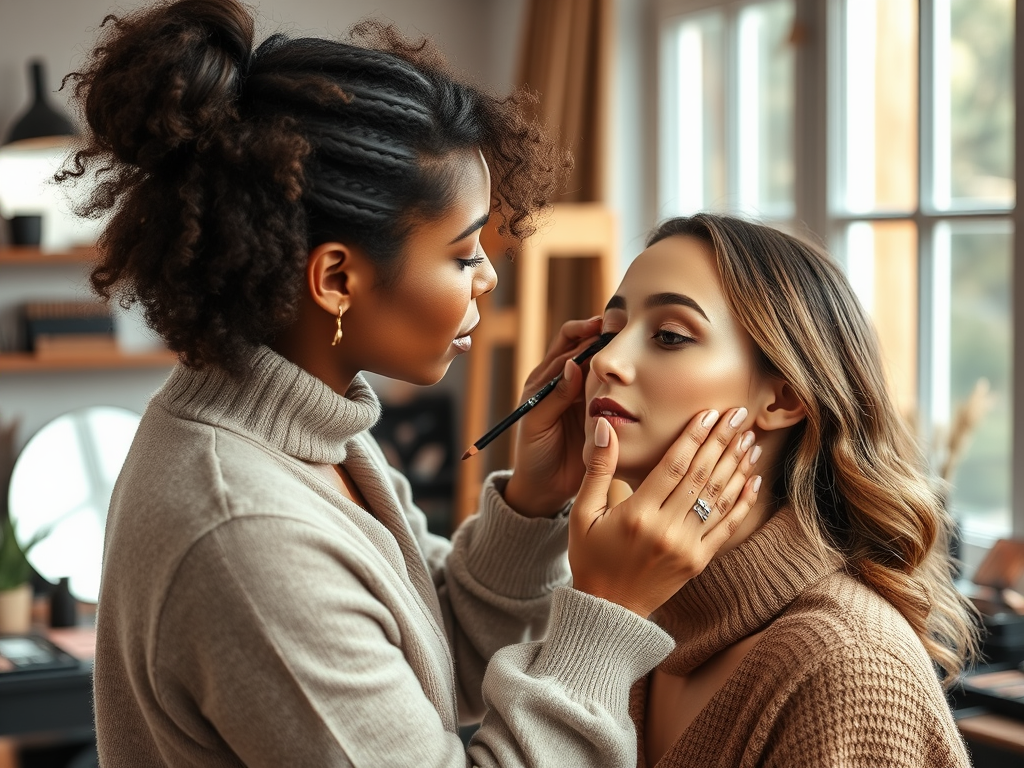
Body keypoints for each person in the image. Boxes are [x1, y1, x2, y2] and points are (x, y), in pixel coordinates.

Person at [60, 2, 763, 766]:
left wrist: (531, 505)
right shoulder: (244, 530)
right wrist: (607, 615)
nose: (489, 278)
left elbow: (433, 650)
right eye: (463, 255)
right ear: (336, 277)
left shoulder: (314, 434)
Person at [574, 213, 979, 767]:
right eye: (608, 332)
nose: (606, 360)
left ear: (784, 397)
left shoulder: (849, 670)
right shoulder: (634, 611)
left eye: (669, 336)